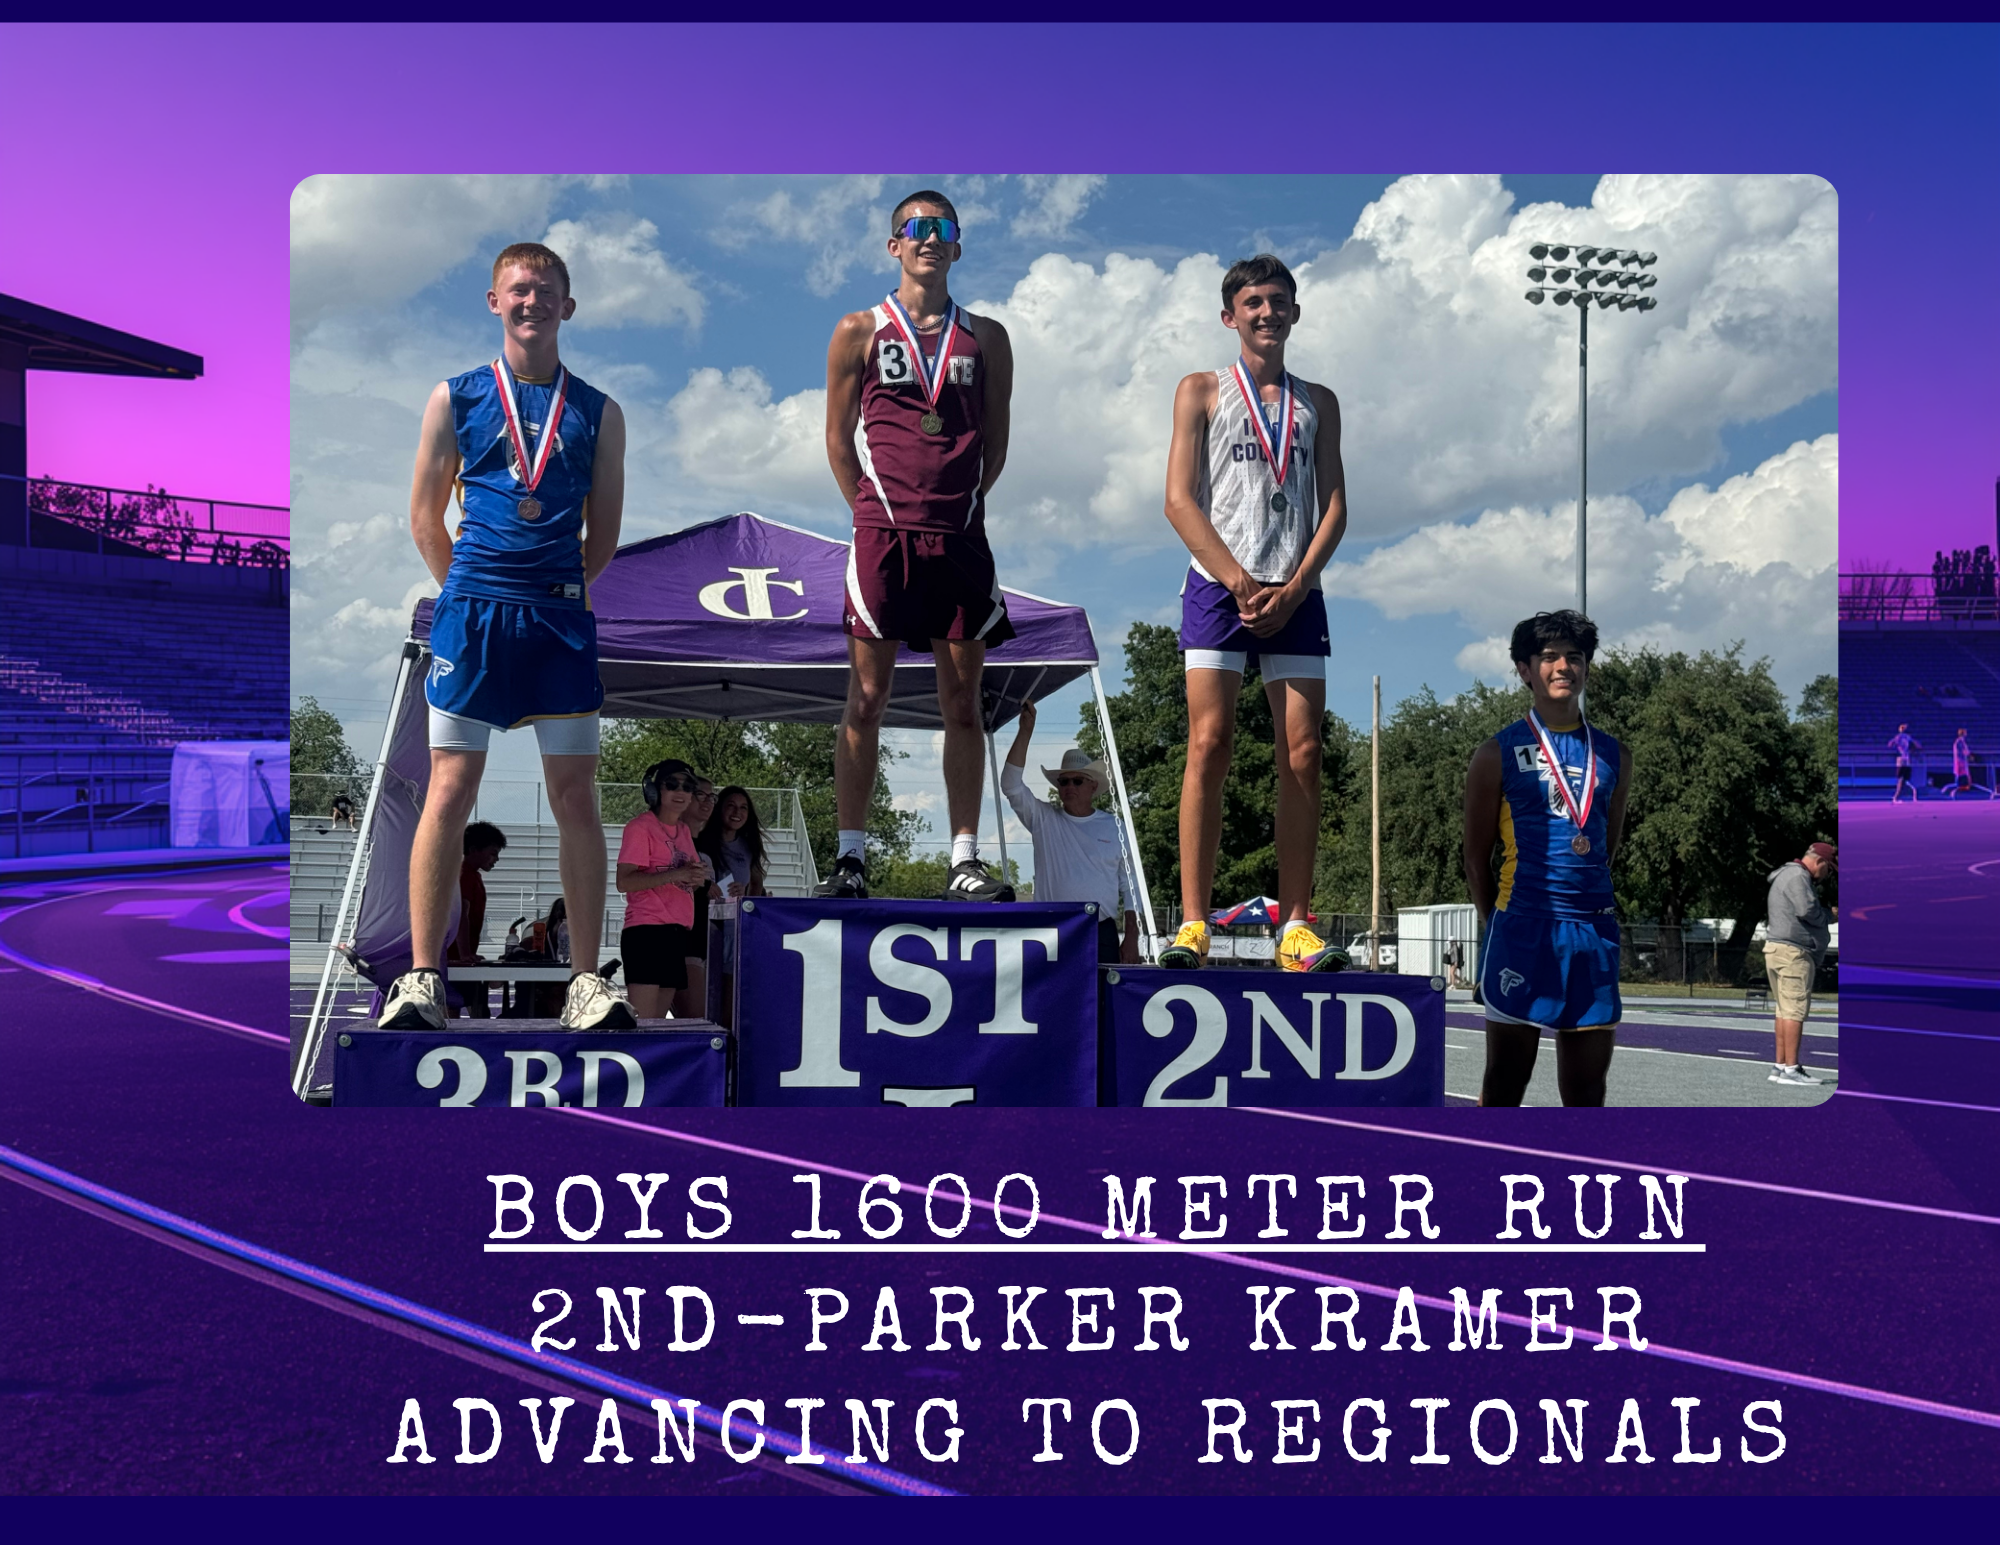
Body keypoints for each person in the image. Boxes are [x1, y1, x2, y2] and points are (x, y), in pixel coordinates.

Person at [379, 241, 633, 1031]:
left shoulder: (599, 410)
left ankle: (586, 981)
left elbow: (605, 537)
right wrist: (469, 587)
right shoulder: (453, 397)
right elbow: (425, 515)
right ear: (494, 301)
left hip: (558, 616)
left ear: (569, 305)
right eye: (518, 290)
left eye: (546, 291)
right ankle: (424, 976)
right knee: (450, 788)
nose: (532, 303)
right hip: (474, 612)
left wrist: (554, 593)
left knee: (575, 797)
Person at [819, 190, 1016, 905]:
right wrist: (874, 509)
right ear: (894, 245)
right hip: (882, 534)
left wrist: (958, 506)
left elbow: (995, 444)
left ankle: (963, 858)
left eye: (943, 228)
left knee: (963, 701)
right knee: (867, 697)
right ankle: (850, 856)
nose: (930, 237)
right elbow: (839, 440)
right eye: (916, 228)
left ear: (957, 245)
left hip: (960, 535)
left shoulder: (987, 338)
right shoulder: (858, 330)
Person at [1156, 254, 1350, 973]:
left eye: (1279, 301)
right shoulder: (1201, 390)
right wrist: (1240, 583)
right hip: (1218, 584)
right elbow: (1178, 499)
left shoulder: (1319, 401)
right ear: (1228, 315)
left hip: (1296, 586)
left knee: (1302, 752)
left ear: (1295, 313)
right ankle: (1195, 923)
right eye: (1253, 302)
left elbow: (1335, 503)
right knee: (1210, 743)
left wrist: (1297, 585)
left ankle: (1296, 923)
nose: (1267, 312)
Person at [1463, 610, 1632, 1107]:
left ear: (1586, 668)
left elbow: (1606, 845)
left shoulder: (1615, 754)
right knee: (1505, 1083)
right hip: (1523, 926)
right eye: (1550, 657)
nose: (1564, 667)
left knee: (1586, 1090)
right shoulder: (1496, 752)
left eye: (1574, 657)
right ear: (1525, 669)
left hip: (1592, 930)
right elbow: (1476, 856)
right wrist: (1494, 920)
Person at [1000, 700, 1141, 965]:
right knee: (1052, 1001)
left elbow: (1130, 887)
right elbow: (1010, 784)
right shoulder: (1043, 818)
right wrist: (1025, 732)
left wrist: (1131, 937)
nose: (1069, 786)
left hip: (1100, 931)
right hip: (1051, 929)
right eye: (1063, 781)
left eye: (1077, 780)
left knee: (1100, 1001)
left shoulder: (1116, 827)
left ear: (1092, 786)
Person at [615, 759, 713, 1020]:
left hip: (675, 931)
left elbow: (689, 877)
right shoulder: (640, 827)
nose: (681, 792)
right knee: (646, 1023)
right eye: (672, 785)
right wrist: (678, 874)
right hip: (646, 931)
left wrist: (696, 877)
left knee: (658, 1024)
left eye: (687, 786)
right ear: (655, 790)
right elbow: (624, 881)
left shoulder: (682, 830)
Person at [1764, 841, 1836, 1086]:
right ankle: (1792, 1068)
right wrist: (1829, 915)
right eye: (1829, 869)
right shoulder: (1798, 876)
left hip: (1778, 948)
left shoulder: (1785, 873)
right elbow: (1807, 910)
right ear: (1820, 861)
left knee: (1783, 1010)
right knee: (1795, 1010)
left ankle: (1781, 1065)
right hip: (1793, 952)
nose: (1827, 876)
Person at [698, 785, 769, 1029]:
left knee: (729, 1011)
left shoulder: (749, 847)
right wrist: (703, 888)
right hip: (704, 935)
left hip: (734, 935)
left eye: (743, 808)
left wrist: (746, 893)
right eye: (730, 805)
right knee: (704, 1010)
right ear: (719, 809)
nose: (736, 812)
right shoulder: (702, 841)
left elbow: (757, 882)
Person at [443, 821, 506, 1019]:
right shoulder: (464, 875)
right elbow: (462, 915)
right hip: (453, 960)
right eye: (493, 853)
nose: (496, 859)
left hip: (459, 958)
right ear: (473, 850)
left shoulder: (472, 876)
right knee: (454, 1008)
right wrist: (465, 954)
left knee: (476, 1006)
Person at [673, 776, 718, 1020]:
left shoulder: (711, 843)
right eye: (701, 795)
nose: (708, 802)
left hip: (705, 943)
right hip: (678, 942)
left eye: (712, 797)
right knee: (693, 1020)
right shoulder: (668, 839)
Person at [1888, 724, 1921, 803]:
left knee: (1904, 778)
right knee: (1902, 779)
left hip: (1904, 760)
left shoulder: (1903, 737)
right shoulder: (1902, 737)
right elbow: (1917, 745)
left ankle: (1898, 796)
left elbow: (1890, 744)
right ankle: (1897, 796)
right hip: (1903, 760)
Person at [1949, 727, 1975, 797]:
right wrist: (1968, 756)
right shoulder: (1959, 742)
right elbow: (1963, 752)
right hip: (1960, 761)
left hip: (1962, 761)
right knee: (1960, 774)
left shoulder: (1961, 742)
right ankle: (1959, 786)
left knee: (1964, 774)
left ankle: (1964, 786)